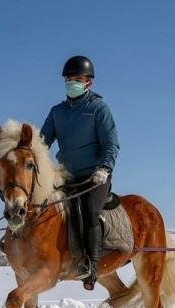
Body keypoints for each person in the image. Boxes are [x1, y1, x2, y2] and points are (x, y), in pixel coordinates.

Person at [40, 55, 120, 291]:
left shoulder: (98, 109)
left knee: (88, 211)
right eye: (68, 79)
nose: (71, 83)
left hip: (94, 177)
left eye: (77, 79)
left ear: (88, 83)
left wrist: (104, 168)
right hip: (66, 175)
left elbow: (111, 143)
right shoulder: (57, 112)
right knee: (40, 202)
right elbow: (42, 142)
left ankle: (91, 265)